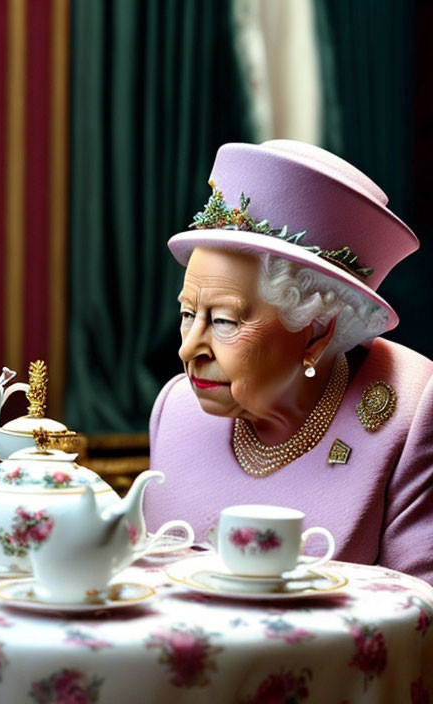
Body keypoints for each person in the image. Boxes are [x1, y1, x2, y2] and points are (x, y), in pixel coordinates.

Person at [144, 139, 433, 584]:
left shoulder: (411, 411)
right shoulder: (176, 410)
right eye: (188, 314)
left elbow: (419, 619)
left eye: (223, 321)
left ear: (315, 330)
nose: (188, 349)